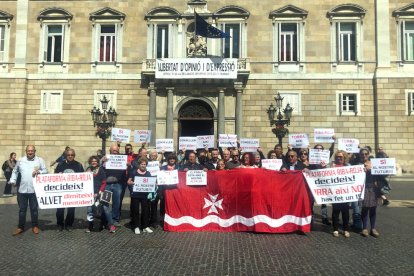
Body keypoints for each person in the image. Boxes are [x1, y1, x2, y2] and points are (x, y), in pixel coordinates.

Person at [9, 145, 47, 235]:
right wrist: (13, 180)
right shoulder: (21, 160)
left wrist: (39, 172)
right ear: (26, 151)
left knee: (34, 209)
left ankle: (35, 226)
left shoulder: (40, 160)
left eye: (32, 151)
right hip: (22, 190)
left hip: (34, 190)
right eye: (28, 151)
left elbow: (45, 171)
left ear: (35, 151)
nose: (30, 152)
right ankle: (20, 227)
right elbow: (15, 171)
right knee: (22, 210)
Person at [55, 148, 84, 231]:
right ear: (65, 155)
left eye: (72, 155)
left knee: (71, 209)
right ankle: (60, 224)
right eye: (68, 155)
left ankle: (69, 224)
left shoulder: (78, 165)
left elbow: (83, 177)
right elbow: (54, 177)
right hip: (62, 190)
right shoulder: (60, 164)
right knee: (60, 209)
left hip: (73, 191)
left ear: (74, 156)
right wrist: (58, 175)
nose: (70, 156)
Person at [85, 156, 115, 233]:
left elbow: (104, 182)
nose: (93, 162)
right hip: (91, 193)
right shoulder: (88, 170)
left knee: (105, 208)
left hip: (103, 191)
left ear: (97, 162)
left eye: (95, 161)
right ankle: (90, 225)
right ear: (90, 162)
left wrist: (100, 191)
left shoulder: (101, 170)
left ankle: (111, 225)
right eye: (92, 161)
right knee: (89, 210)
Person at [102, 143, 127, 228]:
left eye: (116, 151)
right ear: (110, 151)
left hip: (117, 184)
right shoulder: (105, 158)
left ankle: (115, 220)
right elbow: (99, 167)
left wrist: (127, 164)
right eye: (113, 150)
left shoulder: (121, 158)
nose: (115, 152)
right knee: (105, 203)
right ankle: (106, 220)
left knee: (117, 203)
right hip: (107, 185)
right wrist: (102, 161)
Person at [127, 158, 153, 234]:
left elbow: (150, 182)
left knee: (146, 210)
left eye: (144, 164)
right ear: (139, 165)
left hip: (145, 195)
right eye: (142, 164)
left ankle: (145, 226)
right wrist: (133, 183)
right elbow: (128, 182)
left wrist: (154, 184)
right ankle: (136, 226)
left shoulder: (148, 173)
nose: (143, 165)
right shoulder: (134, 172)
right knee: (135, 210)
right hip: (135, 194)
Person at [359, 148, 381, 238]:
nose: (364, 155)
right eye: (362, 154)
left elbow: (380, 174)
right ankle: (364, 228)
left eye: (366, 154)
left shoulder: (374, 164)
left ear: (369, 154)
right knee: (364, 209)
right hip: (363, 188)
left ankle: (373, 228)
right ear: (360, 155)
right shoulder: (357, 165)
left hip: (373, 188)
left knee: (373, 209)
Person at [330, 150, 352, 238]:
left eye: (341, 157)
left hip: (345, 193)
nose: (339, 158)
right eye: (338, 156)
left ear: (344, 157)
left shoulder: (348, 166)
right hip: (335, 193)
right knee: (335, 212)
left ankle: (345, 229)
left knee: (345, 213)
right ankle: (335, 229)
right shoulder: (332, 166)